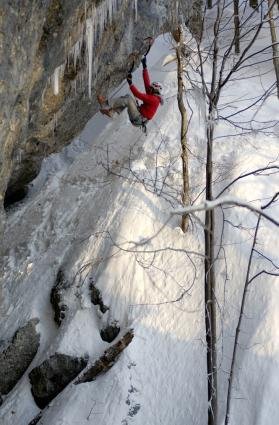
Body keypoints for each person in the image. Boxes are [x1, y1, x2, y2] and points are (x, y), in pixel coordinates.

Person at [97, 56, 163, 129]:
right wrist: (144, 66)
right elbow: (146, 82)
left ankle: (105, 103)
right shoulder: (153, 95)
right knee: (128, 97)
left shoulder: (154, 99)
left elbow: (138, 94)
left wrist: (130, 83)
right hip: (139, 115)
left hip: (138, 118)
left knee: (128, 100)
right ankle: (113, 113)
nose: (149, 88)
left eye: (151, 88)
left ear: (155, 90)